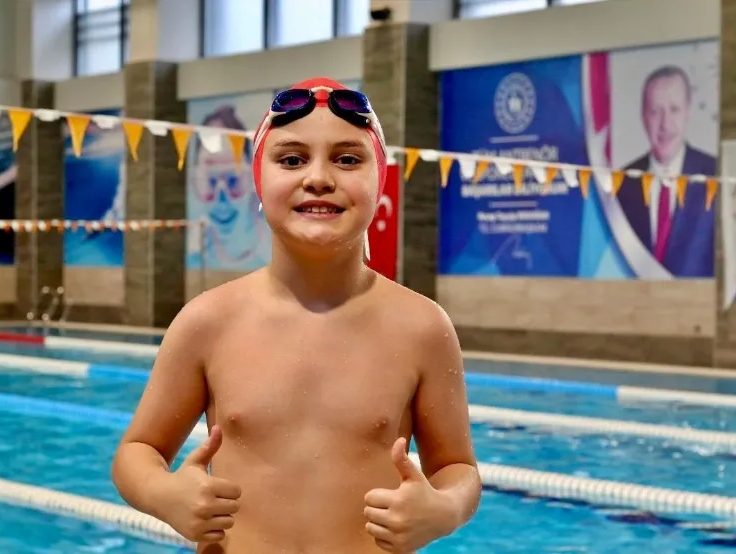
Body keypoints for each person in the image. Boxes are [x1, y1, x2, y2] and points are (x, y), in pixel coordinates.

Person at [112, 77, 481, 554]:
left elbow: (457, 467)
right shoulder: (208, 321)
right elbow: (136, 451)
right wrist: (163, 493)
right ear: (259, 180)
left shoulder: (422, 327)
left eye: (347, 159)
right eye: (291, 160)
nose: (319, 178)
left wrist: (445, 509)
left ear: (380, 180)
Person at [616, 65, 716, 278]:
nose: (665, 124)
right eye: (655, 111)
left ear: (688, 111)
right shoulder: (620, 184)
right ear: (643, 116)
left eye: (674, 109)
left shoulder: (716, 176)